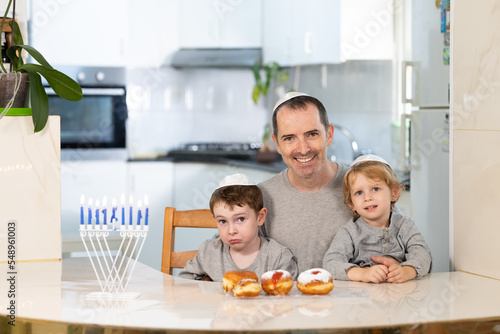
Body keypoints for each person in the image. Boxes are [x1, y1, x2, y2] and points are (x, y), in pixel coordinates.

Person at [258, 92, 353, 273]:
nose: (303, 149)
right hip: (282, 301)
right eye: (289, 138)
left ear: (329, 134)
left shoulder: (364, 188)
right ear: (276, 144)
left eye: (312, 134)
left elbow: (405, 245)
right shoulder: (260, 198)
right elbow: (228, 255)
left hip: (353, 301)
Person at [323, 154, 432, 283]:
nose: (367, 197)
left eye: (375, 189)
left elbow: (423, 254)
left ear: (394, 193)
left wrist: (407, 271)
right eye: (359, 192)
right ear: (351, 204)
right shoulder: (350, 232)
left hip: (401, 295)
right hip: (364, 298)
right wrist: (362, 274)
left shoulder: (404, 225)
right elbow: (330, 263)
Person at [179, 173, 298, 281]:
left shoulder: (278, 258)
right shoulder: (208, 252)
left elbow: (290, 298)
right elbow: (182, 284)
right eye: (222, 221)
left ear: (260, 217)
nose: (231, 231)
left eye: (240, 219)